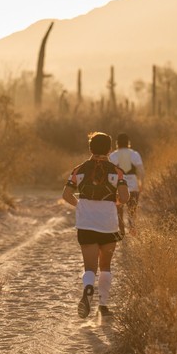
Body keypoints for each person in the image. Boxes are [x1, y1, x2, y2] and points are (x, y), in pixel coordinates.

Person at [62, 131, 129, 318]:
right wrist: (113, 202)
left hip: (86, 223)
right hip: (108, 223)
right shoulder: (117, 171)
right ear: (109, 149)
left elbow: (66, 195)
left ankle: (88, 288)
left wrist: (80, 205)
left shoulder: (79, 170)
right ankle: (103, 305)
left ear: (90, 148)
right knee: (105, 266)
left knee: (89, 267)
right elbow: (124, 197)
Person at [108, 133, 145, 236]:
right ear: (128, 143)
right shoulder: (134, 154)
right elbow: (141, 171)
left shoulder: (113, 156)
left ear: (117, 143)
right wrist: (141, 183)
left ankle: (122, 232)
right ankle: (133, 230)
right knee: (132, 210)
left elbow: (110, 173)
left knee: (119, 210)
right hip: (133, 186)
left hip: (118, 187)